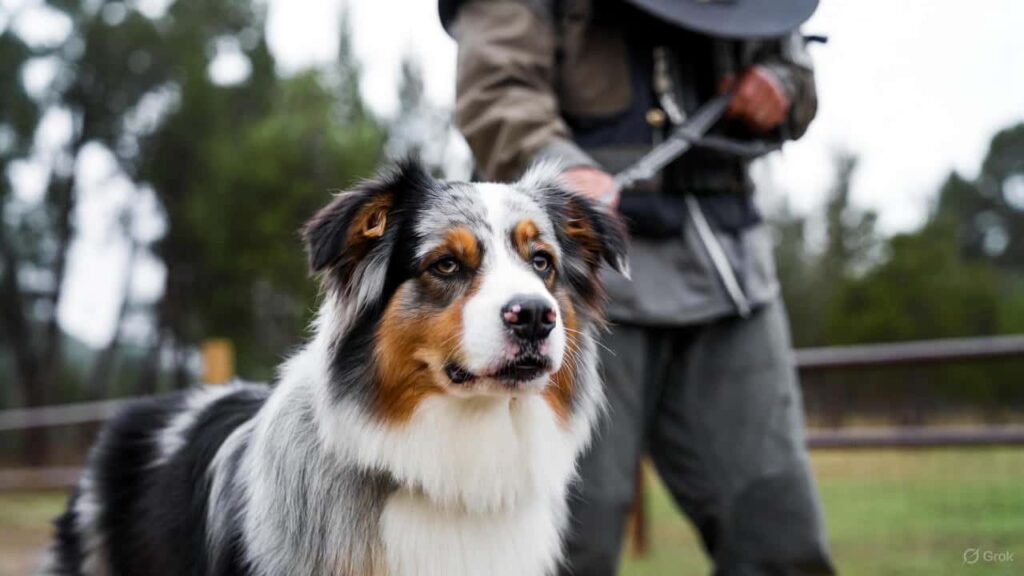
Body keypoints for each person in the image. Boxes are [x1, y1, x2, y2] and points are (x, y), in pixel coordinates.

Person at [440, 0, 836, 574]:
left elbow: (793, 66)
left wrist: (782, 87)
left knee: (779, 537)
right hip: (571, 289)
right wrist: (559, 169)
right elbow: (496, 88)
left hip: (730, 277)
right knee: (564, 546)